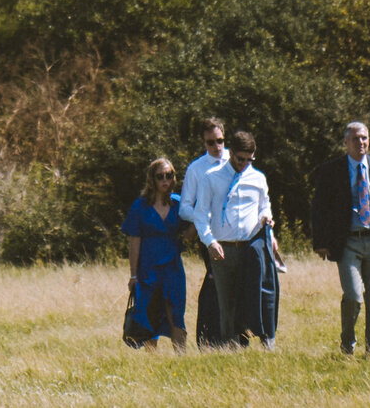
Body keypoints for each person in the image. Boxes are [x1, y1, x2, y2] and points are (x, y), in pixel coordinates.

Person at [308, 121, 370, 356]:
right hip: (347, 241)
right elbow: (319, 207)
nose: (361, 142)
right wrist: (320, 241)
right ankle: (347, 343)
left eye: (365, 138)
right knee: (353, 296)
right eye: (356, 138)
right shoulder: (332, 170)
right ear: (345, 142)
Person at [198, 129, 282, 349]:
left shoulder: (258, 178)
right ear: (231, 153)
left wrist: (267, 221)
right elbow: (200, 215)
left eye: (249, 159)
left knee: (254, 297)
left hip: (250, 248)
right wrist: (210, 242)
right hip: (222, 248)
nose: (244, 163)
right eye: (240, 159)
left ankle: (262, 340)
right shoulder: (212, 178)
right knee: (226, 302)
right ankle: (230, 346)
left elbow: (265, 205)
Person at [121, 158, 189, 351]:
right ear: (152, 179)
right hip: (148, 268)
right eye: (160, 176)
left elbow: (191, 229)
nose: (165, 180)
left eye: (169, 175)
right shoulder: (140, 206)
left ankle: (181, 358)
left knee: (175, 311)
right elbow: (134, 242)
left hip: (173, 267)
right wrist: (133, 275)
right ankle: (153, 363)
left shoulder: (179, 204)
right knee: (150, 314)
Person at [176, 119, 229, 346]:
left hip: (236, 235)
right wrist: (204, 216)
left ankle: (235, 336)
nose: (217, 147)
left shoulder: (234, 162)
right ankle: (208, 337)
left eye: (220, 141)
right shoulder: (196, 168)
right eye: (211, 142)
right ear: (203, 143)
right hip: (210, 236)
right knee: (214, 282)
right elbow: (185, 207)